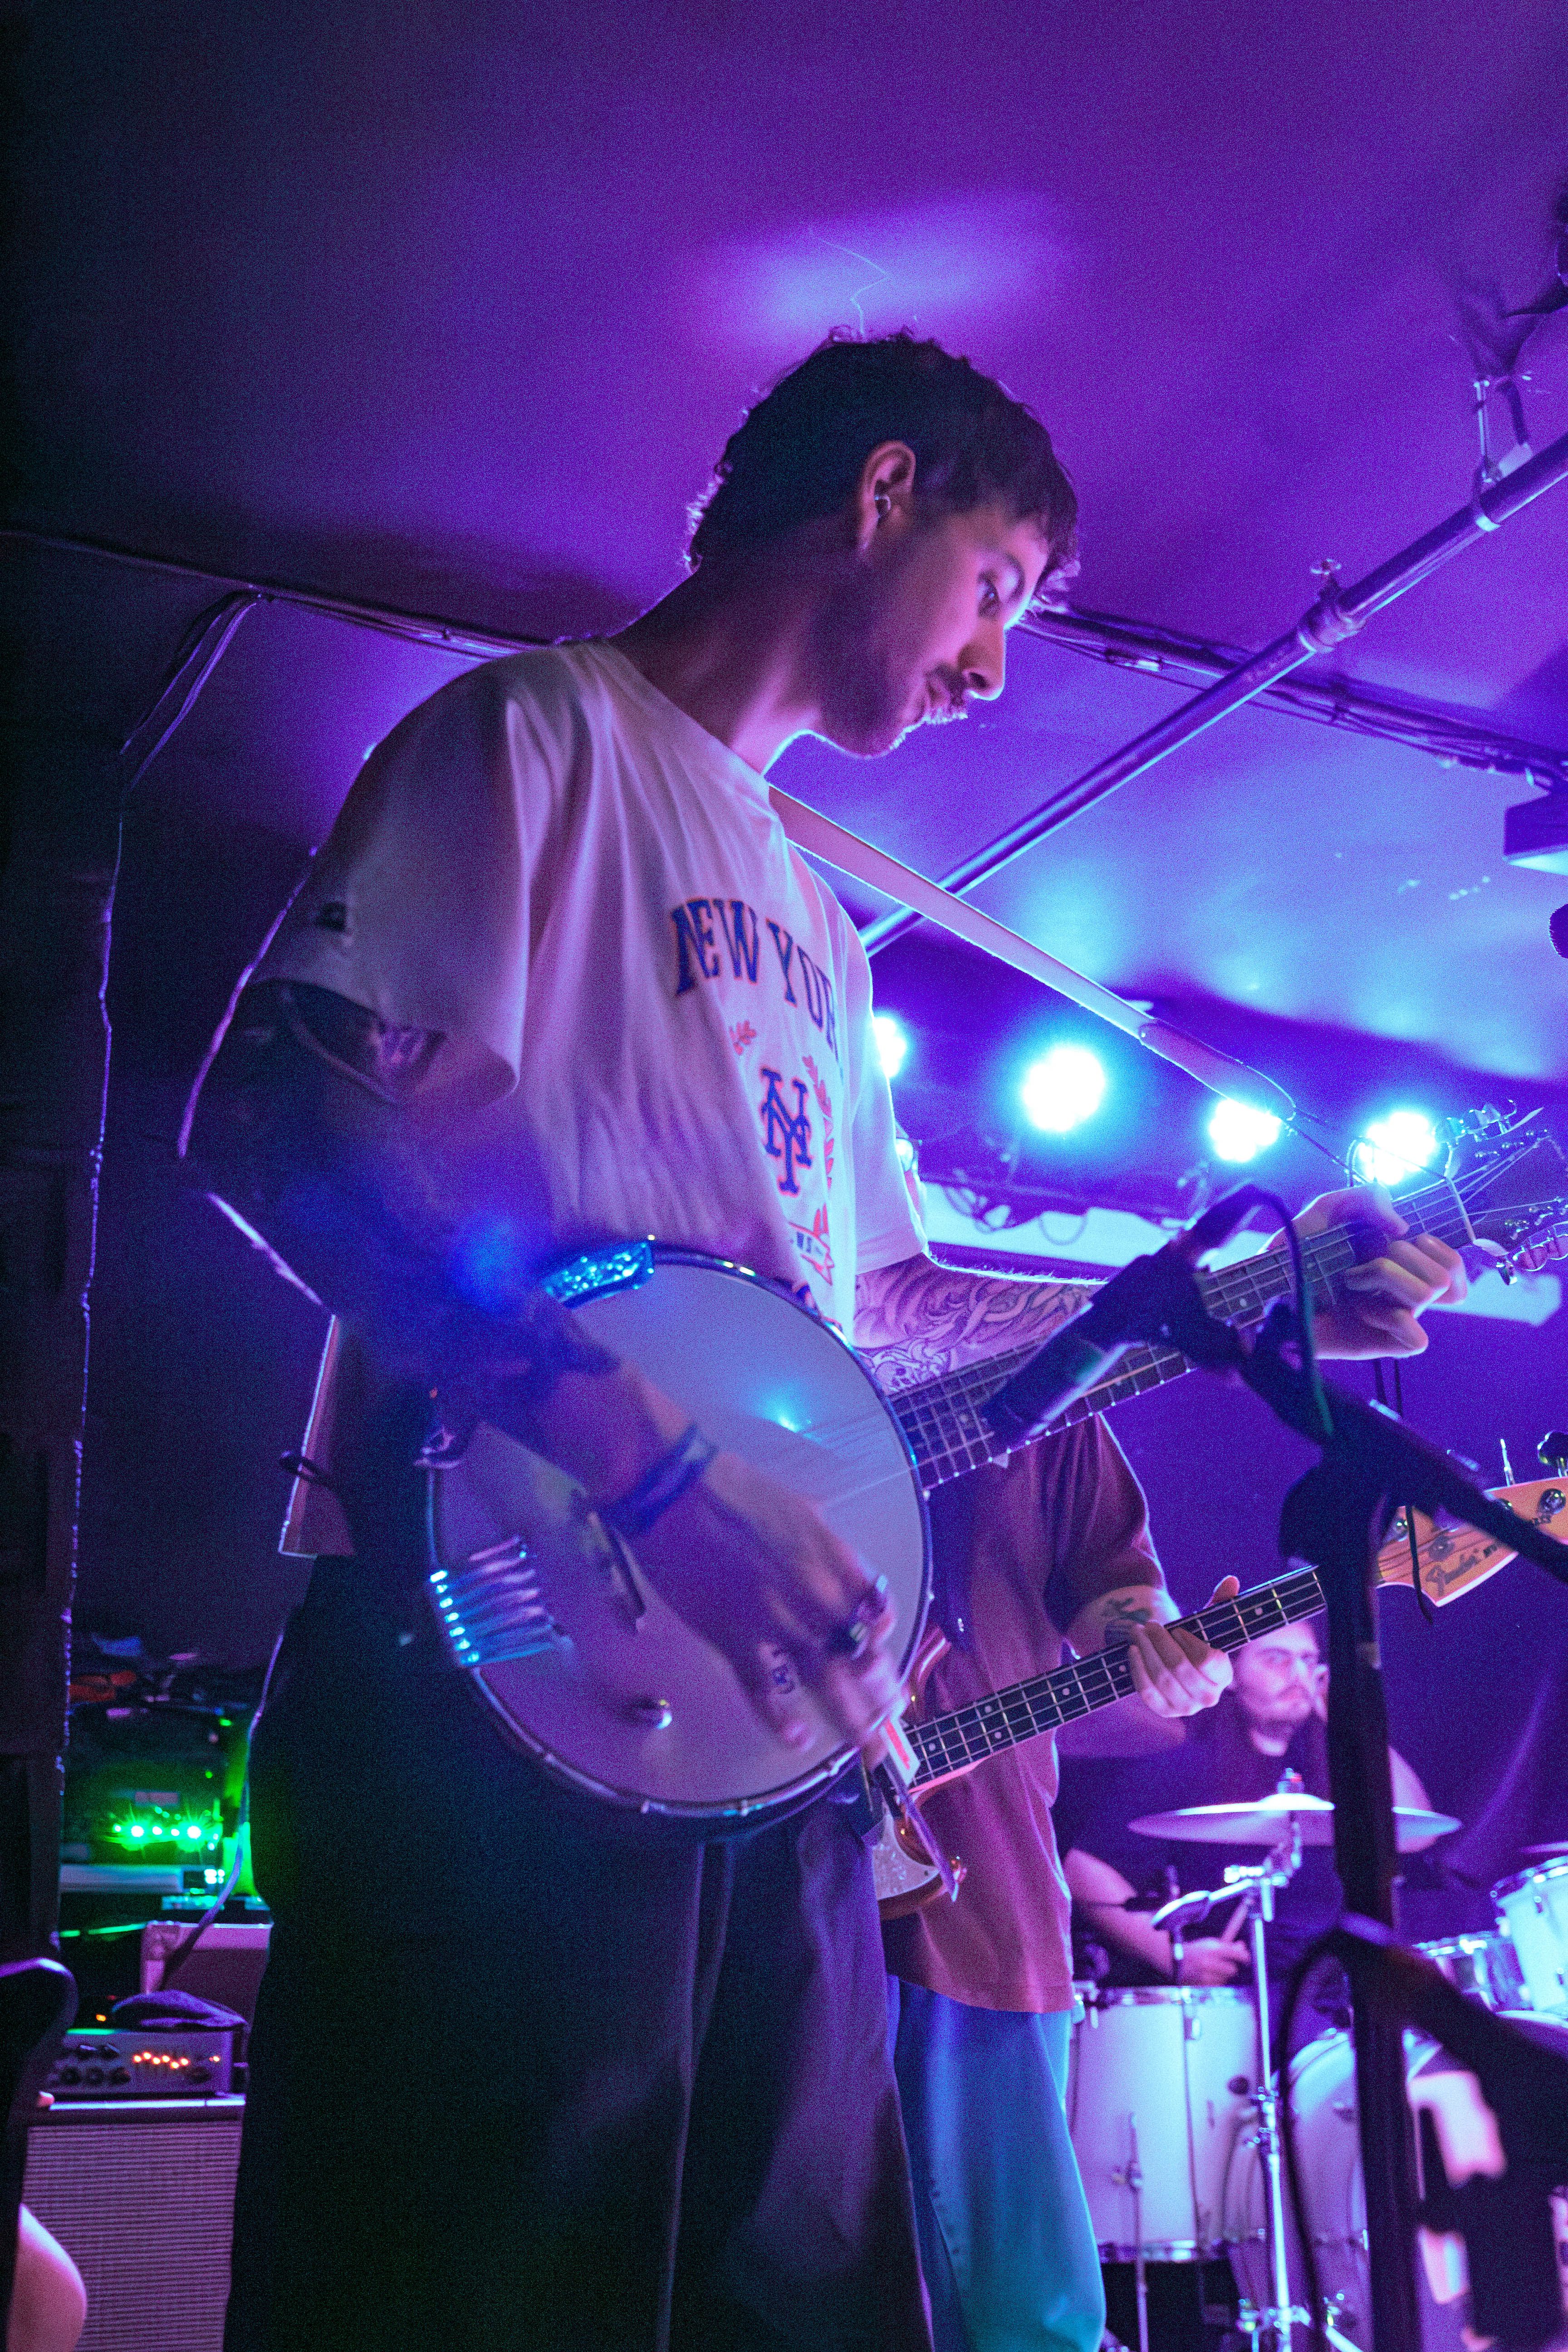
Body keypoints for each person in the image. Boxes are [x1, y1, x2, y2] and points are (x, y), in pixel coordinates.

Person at [182, 329, 1469, 2352]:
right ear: (881, 492)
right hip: (494, 1669)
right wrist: (651, 1461)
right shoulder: (535, 743)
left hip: (766, 1731)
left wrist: (1230, 1300)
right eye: (995, 591)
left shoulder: (808, 897)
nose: (989, 665)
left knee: (790, 2295)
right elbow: (278, 1117)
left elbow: (886, 1310)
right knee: (462, 2277)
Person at [1059, 1616, 1435, 2003]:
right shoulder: (1184, 1768)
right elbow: (1084, 1870)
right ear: (1232, 1676)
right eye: (1277, 1659)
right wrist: (1171, 1954)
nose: (1298, 1675)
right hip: (1232, 2003)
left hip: (1333, 1993)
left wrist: (1352, 1723)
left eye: (1309, 1661)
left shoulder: (1335, 1765)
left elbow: (1416, 1834)